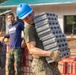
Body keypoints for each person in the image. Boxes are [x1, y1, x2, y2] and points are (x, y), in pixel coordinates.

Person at [16, 3, 62, 75]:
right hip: (41, 64)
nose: (29, 18)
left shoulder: (40, 25)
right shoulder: (29, 28)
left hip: (50, 62)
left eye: (30, 15)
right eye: (26, 18)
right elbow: (32, 49)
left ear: (33, 12)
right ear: (23, 20)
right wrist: (50, 53)